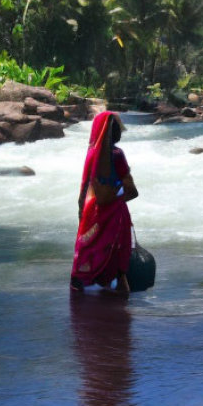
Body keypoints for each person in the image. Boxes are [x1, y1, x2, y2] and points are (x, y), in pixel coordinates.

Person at [71, 111, 139, 295]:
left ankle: (85, 308)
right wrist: (116, 197)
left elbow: (84, 188)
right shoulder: (117, 154)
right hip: (115, 214)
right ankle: (122, 304)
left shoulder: (91, 154)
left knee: (90, 252)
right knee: (118, 263)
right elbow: (132, 191)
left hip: (93, 212)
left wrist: (81, 214)